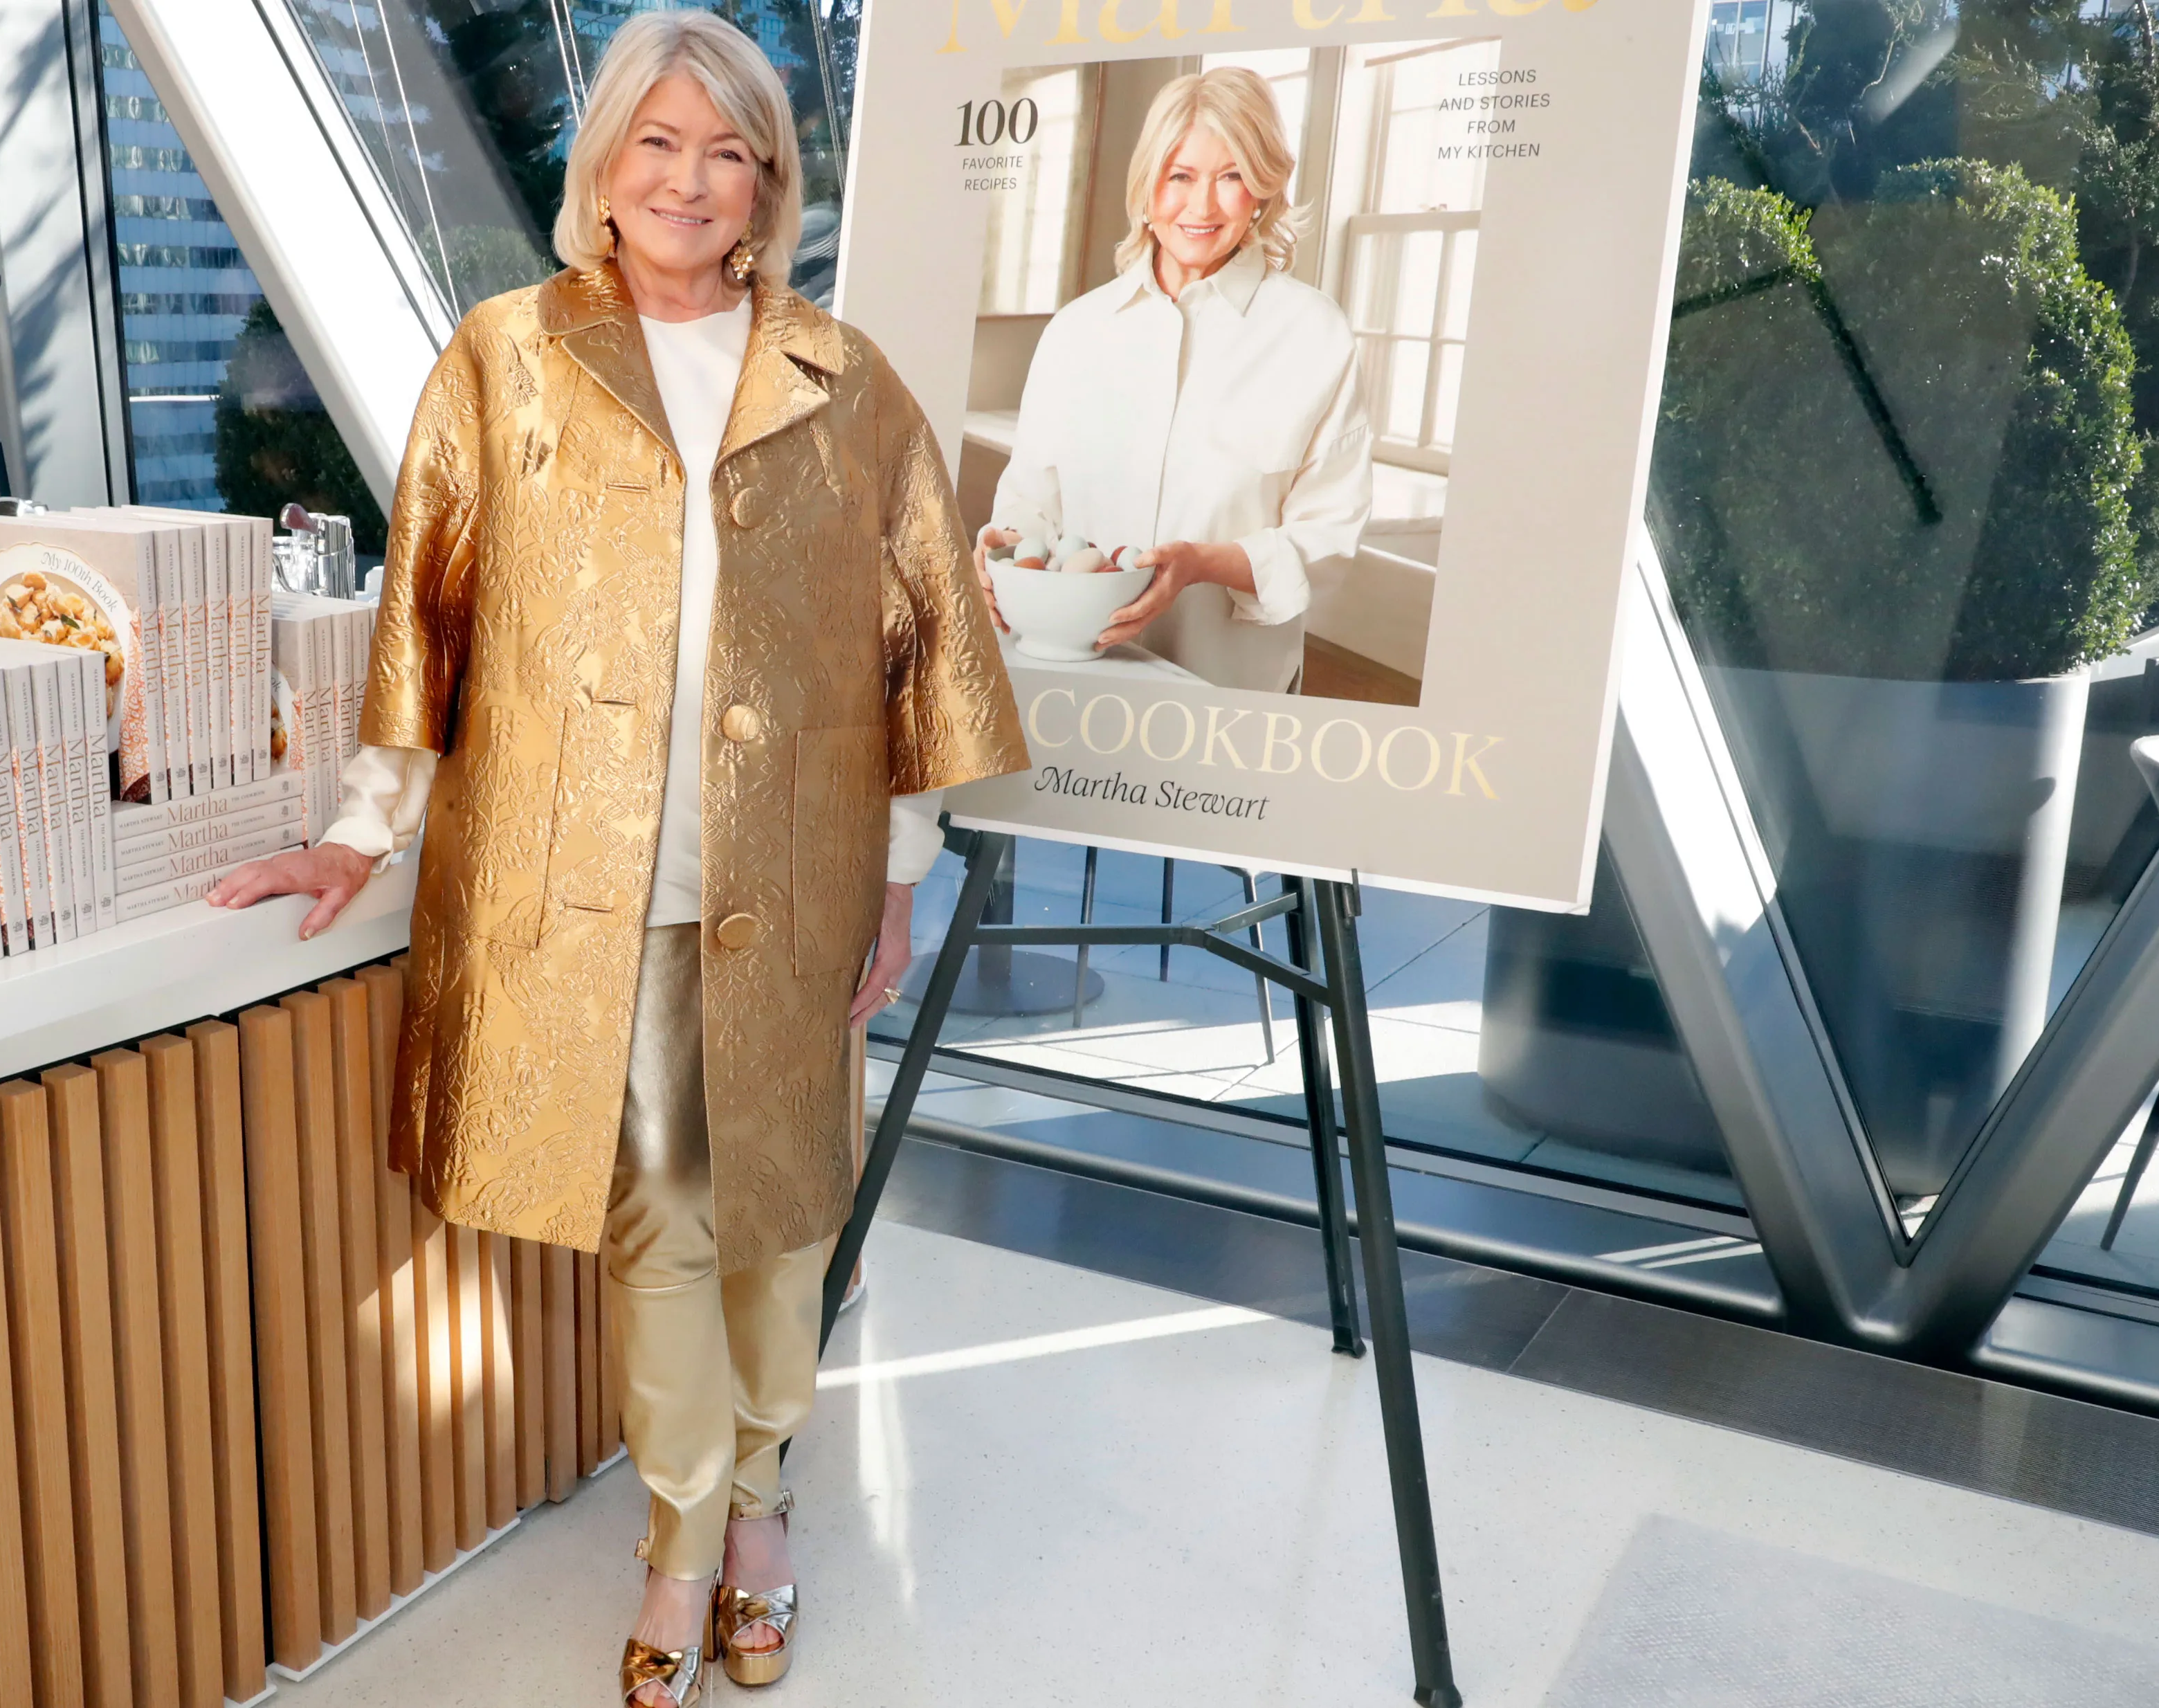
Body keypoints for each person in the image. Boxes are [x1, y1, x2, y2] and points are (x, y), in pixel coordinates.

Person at [206, 11, 1026, 1703]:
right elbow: (423, 614)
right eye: (659, 142)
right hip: (591, 881)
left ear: (768, 184)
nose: (691, 179)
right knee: (663, 1207)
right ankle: (684, 1530)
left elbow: (922, 638)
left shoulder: (844, 378)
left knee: (783, 1206)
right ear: (605, 171)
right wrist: (359, 833)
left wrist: (904, 864)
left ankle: (769, 1501)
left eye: (730, 151)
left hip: (787, 866)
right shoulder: (503, 359)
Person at [979, 66, 1374, 694]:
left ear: (1264, 190)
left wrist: (1199, 565)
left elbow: (1328, 538)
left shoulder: (1313, 335)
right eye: (1181, 176)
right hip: (1073, 683)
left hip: (1230, 691)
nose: (1202, 206)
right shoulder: (1077, 331)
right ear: (1146, 186)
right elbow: (1030, 503)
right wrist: (1004, 549)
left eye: (1232, 177)